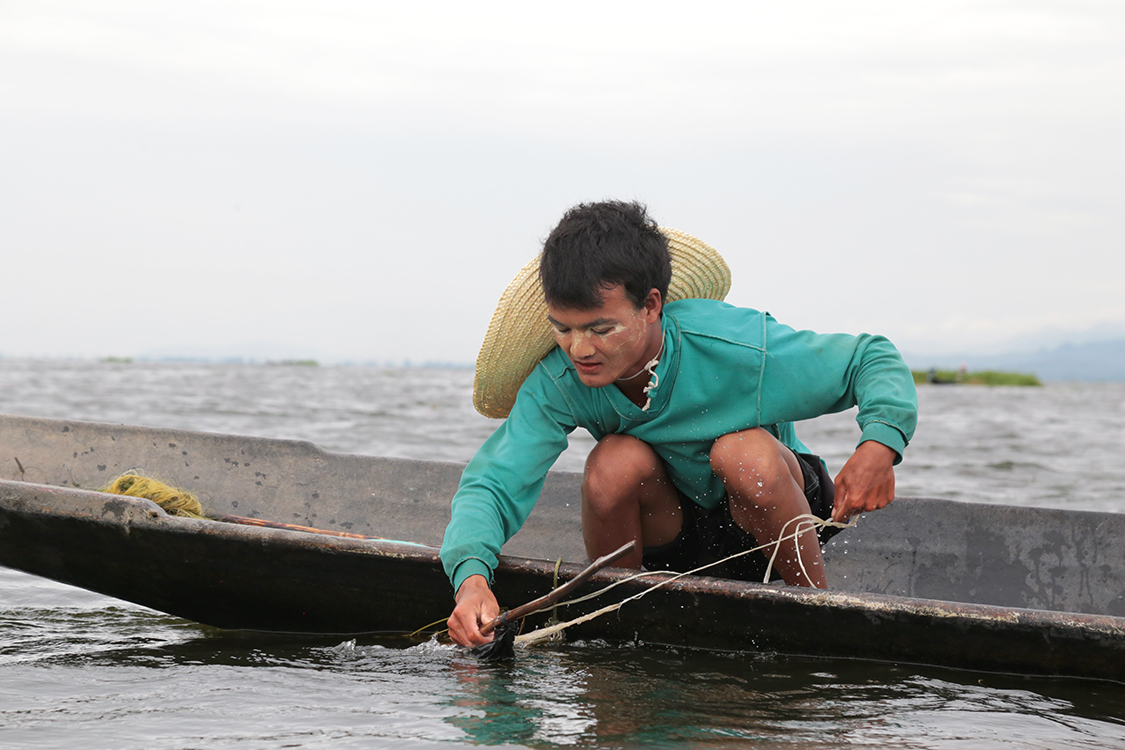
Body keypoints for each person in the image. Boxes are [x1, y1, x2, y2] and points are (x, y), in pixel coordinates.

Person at [441, 201, 918, 647]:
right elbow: (495, 480)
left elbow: (870, 359)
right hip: (672, 541)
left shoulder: (735, 343)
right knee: (613, 462)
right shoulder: (561, 380)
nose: (580, 349)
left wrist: (879, 446)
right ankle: (618, 633)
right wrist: (472, 580)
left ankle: (817, 619)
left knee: (741, 452)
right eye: (563, 328)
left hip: (770, 519)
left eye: (600, 329)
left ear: (650, 306)